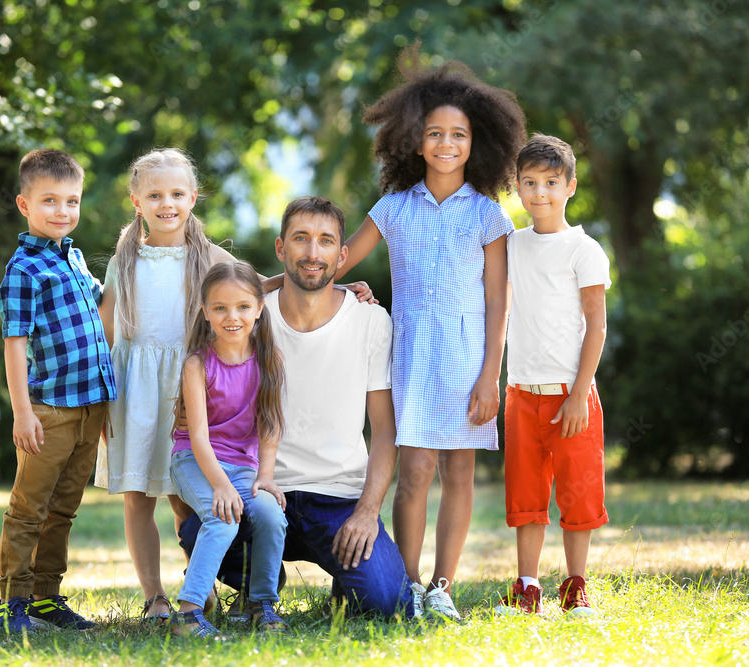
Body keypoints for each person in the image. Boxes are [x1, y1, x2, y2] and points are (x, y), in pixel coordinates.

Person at [332, 44, 527, 618]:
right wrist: (281, 284)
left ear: (478, 143)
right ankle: (410, 586)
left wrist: (491, 375)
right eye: (435, 133)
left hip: (469, 362)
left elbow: (500, 300)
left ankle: (442, 587)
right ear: (415, 140)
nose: (447, 144)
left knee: (460, 472)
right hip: (411, 357)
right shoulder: (394, 207)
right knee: (414, 472)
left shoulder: (489, 214)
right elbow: (338, 261)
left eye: (459, 135)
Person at [179, 196, 415, 620]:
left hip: (338, 497)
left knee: (389, 605)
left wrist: (367, 512)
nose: (312, 252)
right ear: (280, 249)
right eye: (300, 239)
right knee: (201, 529)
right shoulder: (251, 317)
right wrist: (263, 287)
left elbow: (383, 431)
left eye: (325, 241)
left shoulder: (370, 321)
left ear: (342, 255)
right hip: (261, 489)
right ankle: (258, 585)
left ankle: (348, 581)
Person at [94, 148, 240, 624]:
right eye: (154, 195)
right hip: (133, 393)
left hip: (189, 394)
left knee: (184, 496)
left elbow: (256, 291)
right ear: (136, 201)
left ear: (193, 197)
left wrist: (331, 288)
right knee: (139, 496)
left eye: (177, 193)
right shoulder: (124, 261)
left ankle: (199, 586)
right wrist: (100, 405)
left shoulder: (212, 257)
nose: (167, 203)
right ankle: (154, 595)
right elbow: (106, 334)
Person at [0, 148, 116, 633]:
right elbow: (15, 346)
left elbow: (102, 318)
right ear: (25, 205)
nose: (62, 212)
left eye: (71, 201)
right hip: (49, 410)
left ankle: (46, 596)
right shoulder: (23, 271)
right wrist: (23, 413)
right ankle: (12, 603)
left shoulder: (77, 258)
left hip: (90, 408)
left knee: (64, 507)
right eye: (49, 201)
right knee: (29, 507)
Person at [493, 134, 610, 617]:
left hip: (571, 394)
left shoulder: (583, 250)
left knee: (577, 494)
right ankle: (527, 588)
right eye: (530, 183)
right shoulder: (511, 246)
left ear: (570, 187)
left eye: (550, 183)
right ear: (517, 187)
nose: (540, 193)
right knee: (526, 495)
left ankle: (575, 586)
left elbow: (596, 323)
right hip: (522, 392)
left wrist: (580, 392)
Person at [168, 261, 289, 638]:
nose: (231, 316)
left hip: (244, 467)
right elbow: (199, 438)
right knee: (222, 518)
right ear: (205, 312)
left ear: (259, 307)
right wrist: (220, 485)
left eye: (242, 306)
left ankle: (261, 603)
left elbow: (270, 425)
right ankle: (187, 615)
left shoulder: (269, 359)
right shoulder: (196, 365)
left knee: (270, 514)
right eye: (220, 308)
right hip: (195, 461)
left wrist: (265, 477)